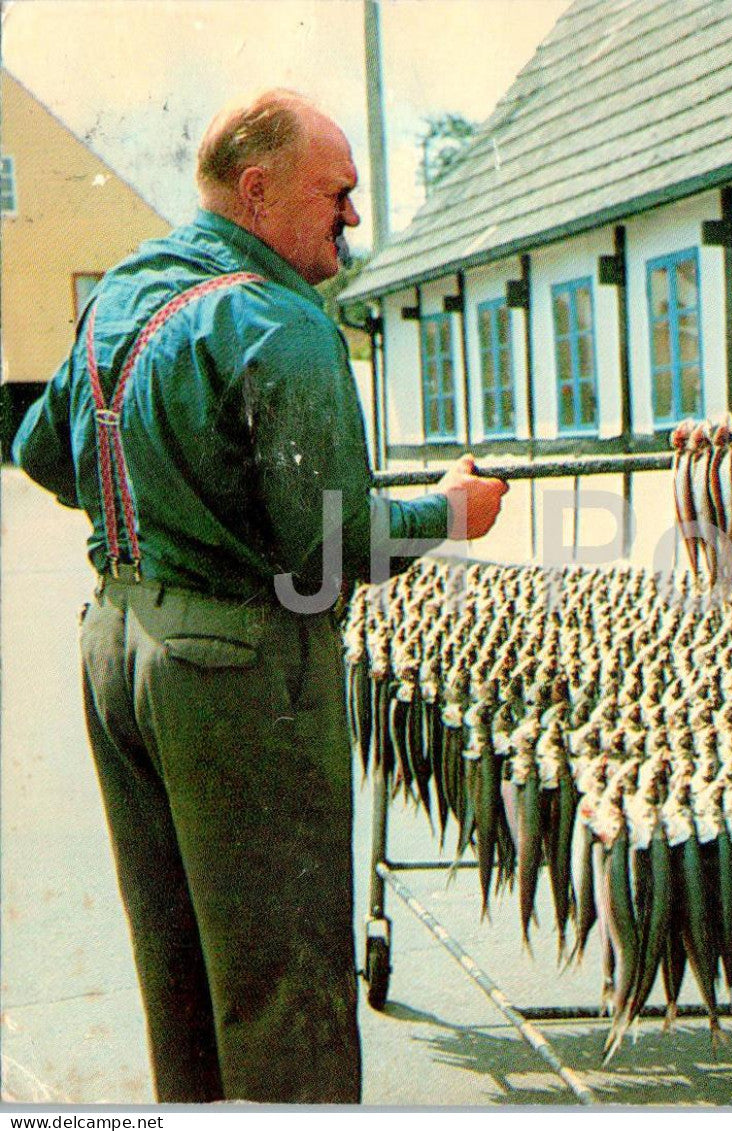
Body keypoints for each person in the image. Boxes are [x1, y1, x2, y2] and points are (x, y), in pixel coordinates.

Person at [11, 89, 508, 1103]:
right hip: (233, 671)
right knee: (286, 985)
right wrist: (450, 512)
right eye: (338, 192)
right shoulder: (277, 322)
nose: (353, 218)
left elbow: (38, 450)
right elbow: (333, 541)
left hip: (117, 646)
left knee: (182, 972)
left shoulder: (122, 294)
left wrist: (164, 497)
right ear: (258, 189)